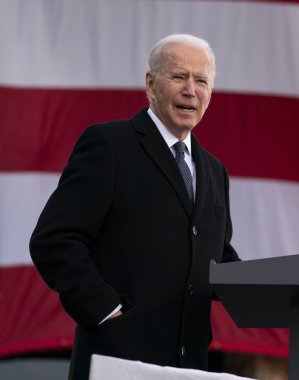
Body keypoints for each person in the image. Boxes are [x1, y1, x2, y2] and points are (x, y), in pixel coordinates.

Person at [29, 34, 240, 380]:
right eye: (178, 76)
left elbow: (217, 258)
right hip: (119, 361)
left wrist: (278, 289)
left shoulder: (215, 171)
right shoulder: (109, 145)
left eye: (201, 80)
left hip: (191, 367)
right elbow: (54, 240)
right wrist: (104, 310)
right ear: (151, 84)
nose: (191, 90)